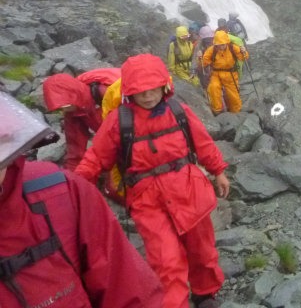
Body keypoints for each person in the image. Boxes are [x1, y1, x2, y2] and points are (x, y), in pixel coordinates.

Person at [74, 54, 230, 308]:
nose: (148, 96)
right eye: (140, 91)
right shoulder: (119, 121)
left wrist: (218, 170)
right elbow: (95, 158)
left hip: (189, 190)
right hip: (147, 201)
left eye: (153, 89)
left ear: (164, 86)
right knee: (166, 261)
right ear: (128, 92)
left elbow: (202, 142)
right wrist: (74, 189)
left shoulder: (179, 110)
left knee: (202, 250)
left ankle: (206, 293)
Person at [0, 90, 164, 308]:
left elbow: (129, 290)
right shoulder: (96, 121)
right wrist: (83, 177)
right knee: (167, 258)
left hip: (182, 193)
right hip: (143, 192)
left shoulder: (61, 192)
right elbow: (93, 150)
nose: (148, 97)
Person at [42, 67, 121, 170]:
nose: (64, 110)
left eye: (65, 106)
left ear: (73, 95)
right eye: (60, 108)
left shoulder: (106, 93)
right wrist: (73, 176)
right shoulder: (73, 111)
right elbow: (75, 148)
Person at [202, 30, 249, 115]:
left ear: (226, 42)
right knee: (213, 88)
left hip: (230, 74)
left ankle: (236, 112)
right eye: (218, 45)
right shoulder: (211, 50)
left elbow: (243, 57)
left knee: (233, 95)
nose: (220, 47)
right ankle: (217, 111)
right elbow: (204, 62)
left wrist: (244, 51)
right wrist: (199, 58)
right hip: (216, 74)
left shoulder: (233, 47)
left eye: (222, 44)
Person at [191, 25, 215, 90]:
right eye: (207, 39)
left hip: (214, 68)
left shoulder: (215, 43)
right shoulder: (199, 46)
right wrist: (193, 71)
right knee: (206, 85)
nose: (209, 40)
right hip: (203, 69)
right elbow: (195, 59)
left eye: (210, 38)